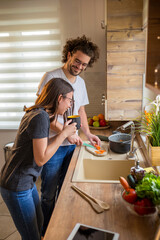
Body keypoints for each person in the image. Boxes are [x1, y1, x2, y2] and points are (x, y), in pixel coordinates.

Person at [37, 35, 101, 236]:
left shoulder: (80, 83)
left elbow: (80, 110)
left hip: (72, 145)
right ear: (69, 54)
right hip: (54, 145)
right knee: (48, 194)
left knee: (67, 192)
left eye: (84, 64)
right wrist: (65, 134)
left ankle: (63, 229)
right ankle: (46, 231)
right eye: (77, 61)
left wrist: (88, 133)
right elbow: (43, 113)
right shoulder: (51, 77)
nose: (80, 66)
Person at [0, 78, 77, 240]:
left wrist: (64, 133)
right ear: (59, 98)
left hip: (25, 182)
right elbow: (41, 158)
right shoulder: (40, 117)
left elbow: (39, 145)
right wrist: (63, 133)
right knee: (31, 236)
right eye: (69, 99)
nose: (70, 104)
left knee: (41, 224)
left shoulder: (39, 113)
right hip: (16, 185)